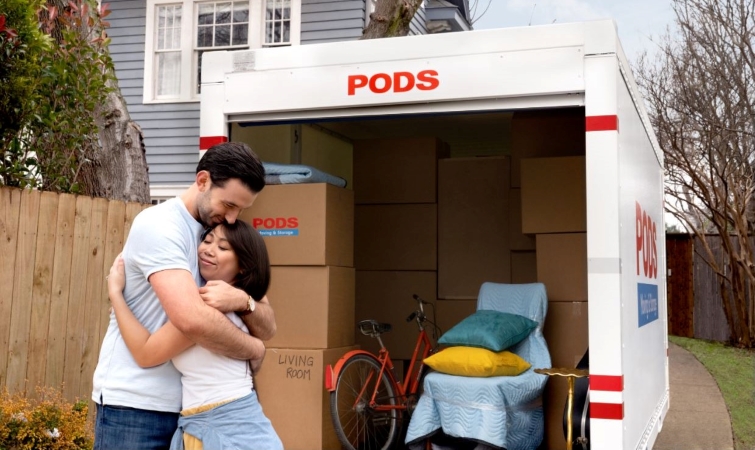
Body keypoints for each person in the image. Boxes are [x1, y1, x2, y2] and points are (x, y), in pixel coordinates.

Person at [91, 142, 277, 450]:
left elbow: (267, 323)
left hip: (191, 411)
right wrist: (254, 349)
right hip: (137, 404)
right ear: (203, 181)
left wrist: (243, 301)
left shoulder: (222, 234)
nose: (232, 218)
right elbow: (193, 320)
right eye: (229, 205)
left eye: (241, 210)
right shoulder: (161, 225)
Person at [107, 221, 283, 450]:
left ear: (243, 265)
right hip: (215, 419)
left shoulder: (209, 307)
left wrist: (116, 295)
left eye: (223, 247)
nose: (209, 249)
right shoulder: (231, 298)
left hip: (226, 423)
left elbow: (145, 353)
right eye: (207, 241)